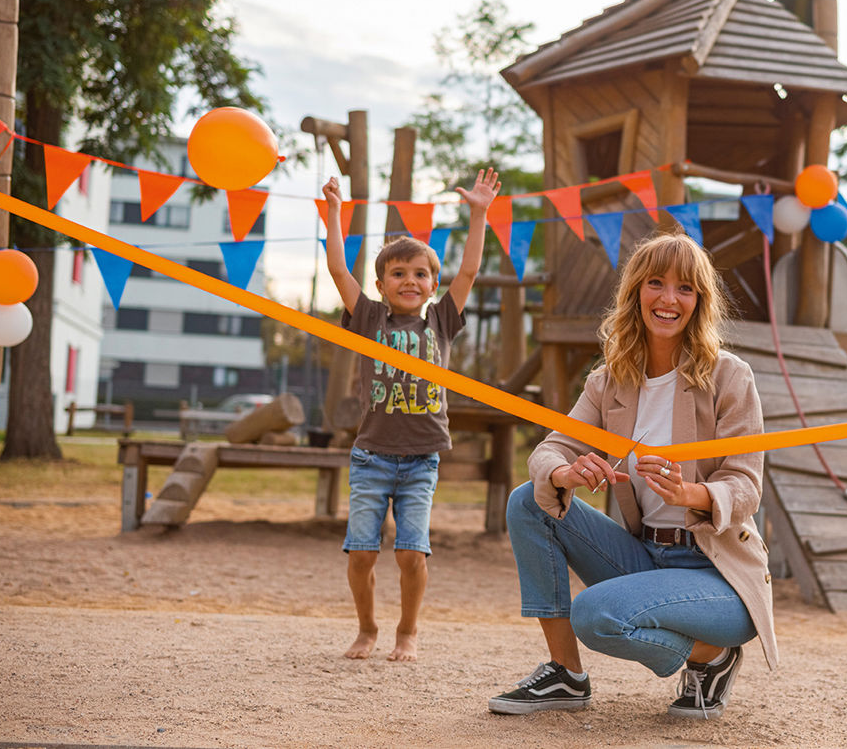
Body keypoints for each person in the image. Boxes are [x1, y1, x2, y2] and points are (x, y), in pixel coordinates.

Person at [488, 231, 776, 720]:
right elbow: (551, 448)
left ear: (700, 302)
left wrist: (695, 492)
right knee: (527, 500)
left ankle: (713, 655)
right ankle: (566, 675)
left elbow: (746, 483)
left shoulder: (730, 375)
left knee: (595, 613)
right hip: (645, 557)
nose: (668, 299)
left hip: (715, 575)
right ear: (635, 292)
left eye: (685, 288)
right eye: (656, 283)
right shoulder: (609, 380)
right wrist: (565, 471)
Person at [322, 167, 499, 662]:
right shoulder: (369, 319)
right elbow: (339, 271)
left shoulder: (442, 320)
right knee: (360, 552)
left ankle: (407, 632)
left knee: (410, 551)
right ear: (381, 284)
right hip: (372, 457)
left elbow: (467, 273)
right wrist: (336, 213)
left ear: (431, 284)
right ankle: (366, 628)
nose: (409, 280)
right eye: (398, 273)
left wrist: (479, 213)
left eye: (419, 273)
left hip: (421, 460)